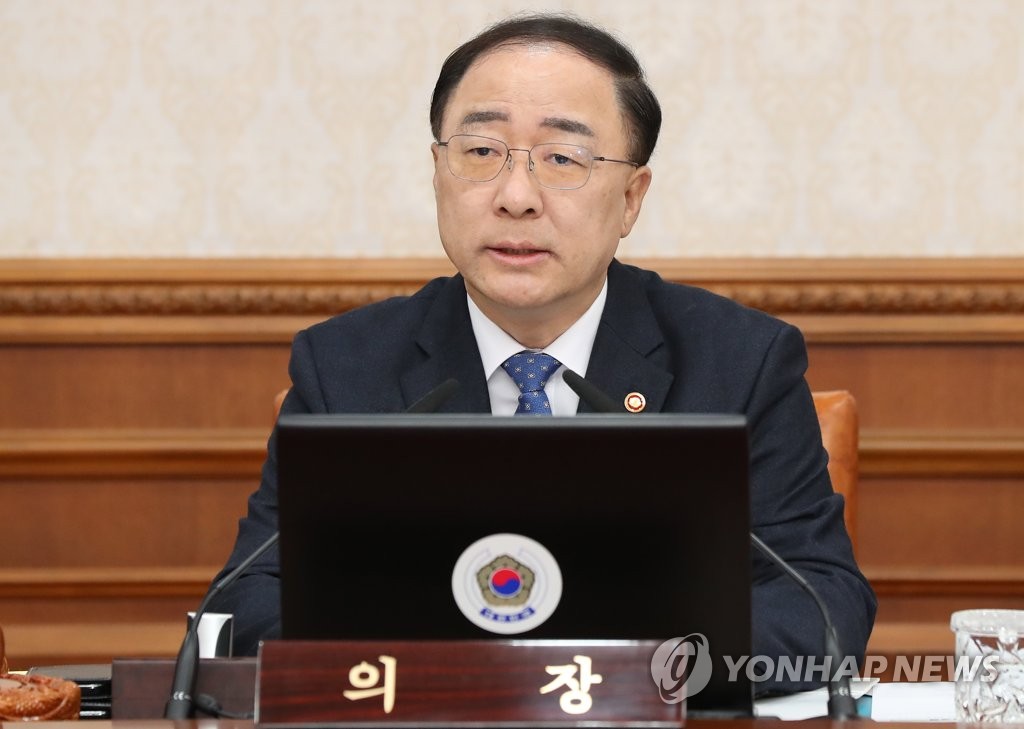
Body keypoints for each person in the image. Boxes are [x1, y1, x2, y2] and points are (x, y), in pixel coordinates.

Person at [205, 11, 876, 696]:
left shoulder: (741, 362)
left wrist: (607, 675)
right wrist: (471, 675)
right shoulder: (345, 366)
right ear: (437, 172)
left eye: (562, 159)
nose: (516, 197)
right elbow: (244, 605)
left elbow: (822, 603)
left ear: (631, 199)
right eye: (481, 151)